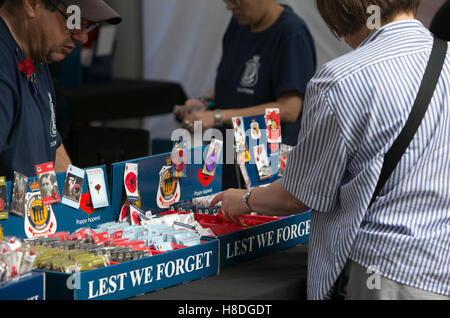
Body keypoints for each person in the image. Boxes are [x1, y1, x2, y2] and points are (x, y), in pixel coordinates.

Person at [211, 0, 450, 300]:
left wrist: (245, 198)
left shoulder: (341, 80)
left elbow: (297, 195)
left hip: (388, 273)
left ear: (338, 12)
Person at [175, 0, 316, 189]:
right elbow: (233, 80)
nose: (230, 7)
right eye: (226, 1)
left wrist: (217, 116)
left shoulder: (292, 34)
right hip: (229, 156)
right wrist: (205, 102)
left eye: (236, 1)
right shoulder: (239, 23)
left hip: (266, 165)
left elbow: (289, 109)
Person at [0, 0, 121, 181]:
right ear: (31, 4)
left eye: (87, 26)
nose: (82, 37)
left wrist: (80, 204)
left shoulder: (36, 54)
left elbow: (52, 144)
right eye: (74, 22)